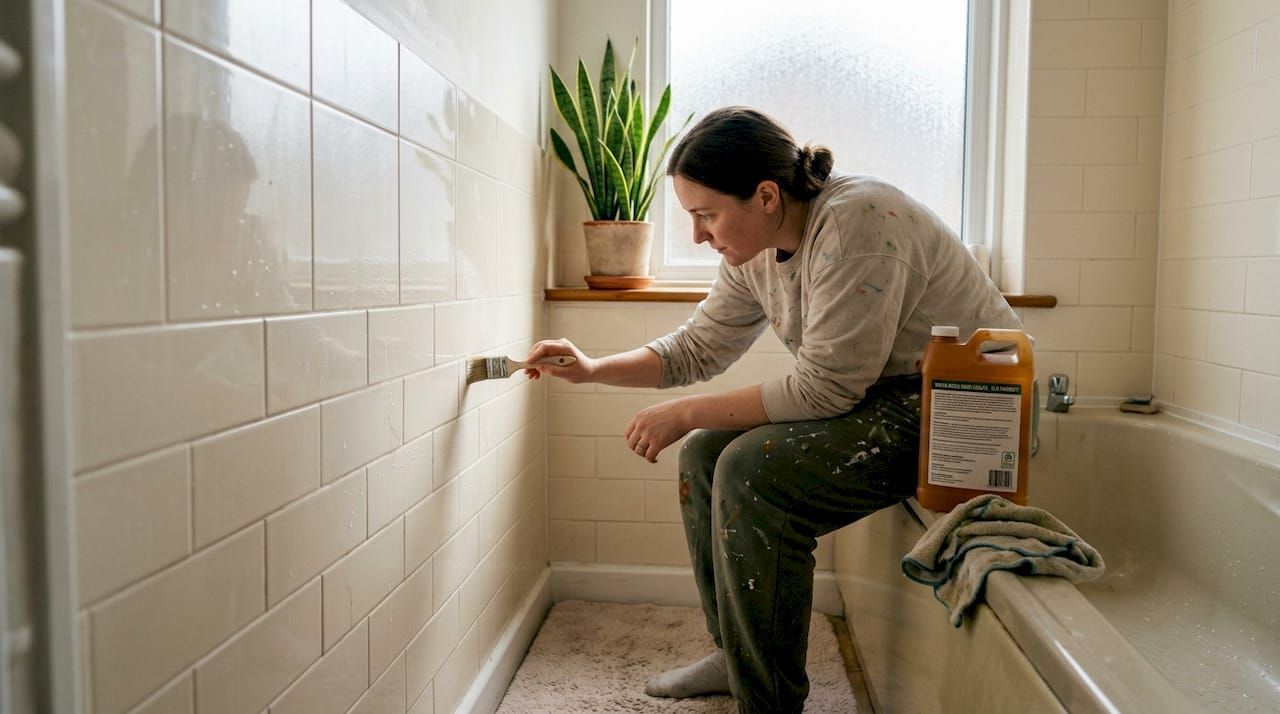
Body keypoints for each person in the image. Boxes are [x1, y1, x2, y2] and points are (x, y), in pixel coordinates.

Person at [523, 107, 1024, 713]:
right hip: (881, 395)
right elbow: (697, 348)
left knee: (750, 471)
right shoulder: (755, 250)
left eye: (706, 215)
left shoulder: (856, 222)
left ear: (765, 196)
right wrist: (592, 367)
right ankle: (736, 655)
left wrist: (686, 411)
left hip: (965, 410)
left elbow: (824, 391)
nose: (698, 236)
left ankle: (769, 702)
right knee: (705, 455)